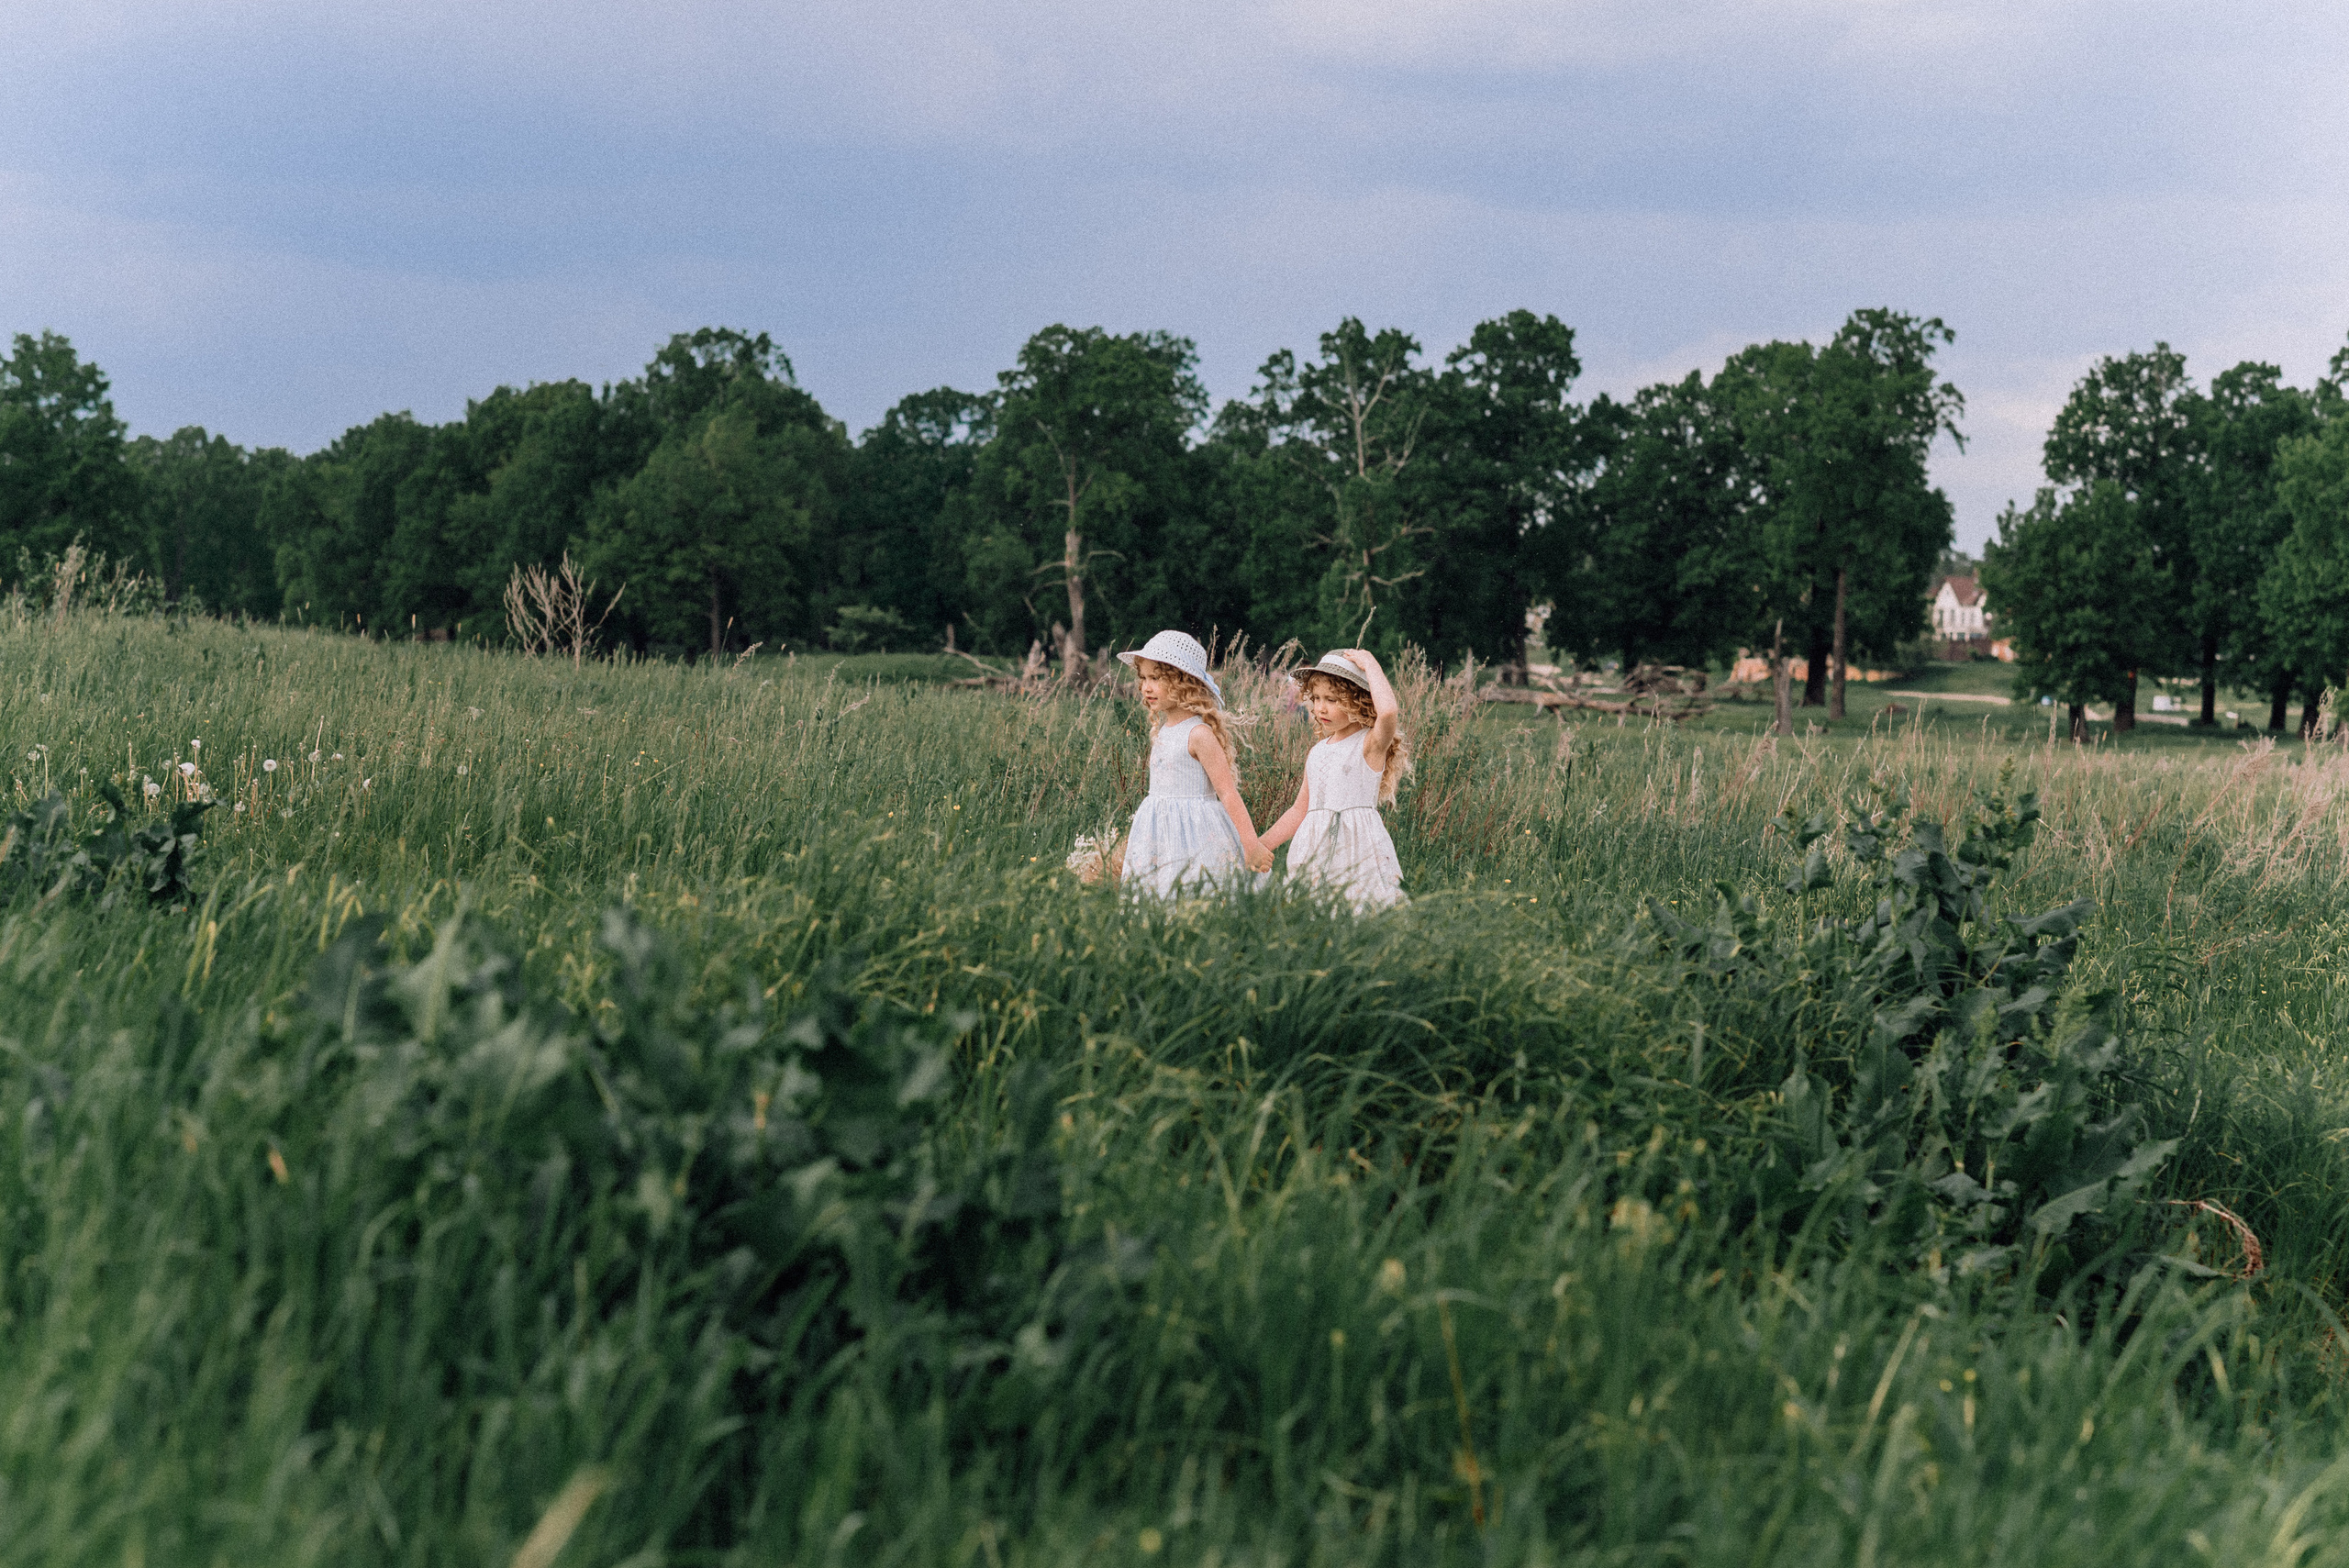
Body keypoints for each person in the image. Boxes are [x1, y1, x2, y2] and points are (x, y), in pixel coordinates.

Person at [1114, 630, 1273, 896]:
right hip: (1158, 827)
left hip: (1195, 830)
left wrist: (1251, 844)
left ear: (1183, 682)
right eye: (1143, 678)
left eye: (1156, 678)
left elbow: (1227, 791)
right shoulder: (1163, 729)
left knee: (1194, 890)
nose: (1146, 687)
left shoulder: (1199, 734)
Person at [1260, 649, 1408, 911]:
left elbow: (1387, 714)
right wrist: (1263, 844)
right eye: (1316, 698)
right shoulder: (1318, 751)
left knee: (1361, 911)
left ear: (1359, 700)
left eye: (1332, 699)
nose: (1320, 708)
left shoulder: (1369, 744)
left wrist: (1370, 663)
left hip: (1357, 850)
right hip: (1315, 851)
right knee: (1316, 915)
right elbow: (1299, 810)